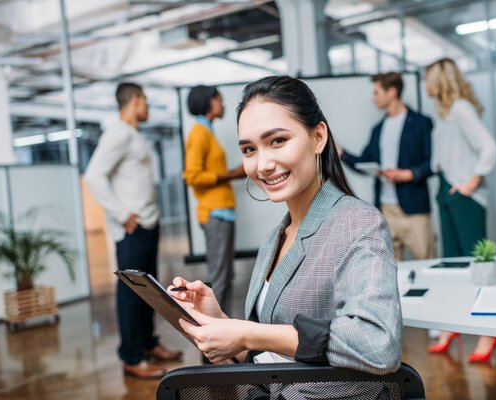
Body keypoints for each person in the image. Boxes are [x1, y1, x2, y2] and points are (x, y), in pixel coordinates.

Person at [170, 76, 402, 396]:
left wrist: (249, 333)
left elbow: (378, 344)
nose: (263, 164)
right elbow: (271, 359)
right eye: (249, 149)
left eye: (277, 140)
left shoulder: (357, 222)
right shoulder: (273, 240)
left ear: (318, 137)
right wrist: (221, 322)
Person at [85, 82, 182, 379]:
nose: (148, 107)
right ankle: (131, 357)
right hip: (132, 227)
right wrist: (122, 214)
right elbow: (94, 176)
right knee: (130, 294)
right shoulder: (117, 133)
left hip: (146, 223)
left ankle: (148, 344)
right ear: (135, 100)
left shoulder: (131, 134)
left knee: (147, 291)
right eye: (146, 101)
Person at [425, 58, 496, 363]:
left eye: (428, 78)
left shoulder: (460, 108)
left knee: (479, 265)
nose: (425, 84)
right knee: (455, 266)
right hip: (446, 190)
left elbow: (489, 147)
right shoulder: (444, 112)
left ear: (440, 80)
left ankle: (488, 331)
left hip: (463, 194)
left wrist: (471, 182)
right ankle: (452, 326)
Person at [338, 72, 434, 261]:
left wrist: (410, 174)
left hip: (414, 211)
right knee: (389, 270)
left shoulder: (422, 123)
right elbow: (364, 163)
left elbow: (433, 162)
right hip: (385, 210)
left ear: (391, 92)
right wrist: (340, 153)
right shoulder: (378, 129)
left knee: (427, 263)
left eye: (376, 92)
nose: (373, 98)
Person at [182, 85, 245, 316]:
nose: (223, 104)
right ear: (209, 102)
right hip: (215, 213)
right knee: (220, 279)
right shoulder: (199, 133)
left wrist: (232, 174)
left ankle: (221, 332)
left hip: (223, 212)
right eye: (219, 99)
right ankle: (213, 338)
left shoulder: (207, 131)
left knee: (225, 277)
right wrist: (232, 174)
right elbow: (192, 175)